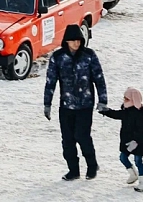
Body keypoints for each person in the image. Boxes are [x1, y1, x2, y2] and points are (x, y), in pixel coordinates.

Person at [43, 24, 108, 181]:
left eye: (79, 40)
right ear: (66, 41)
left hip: (85, 105)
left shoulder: (89, 55)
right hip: (66, 106)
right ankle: (73, 170)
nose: (77, 43)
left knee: (82, 136)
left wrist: (102, 100)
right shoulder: (57, 57)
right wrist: (47, 103)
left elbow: (99, 78)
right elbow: (51, 81)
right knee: (67, 140)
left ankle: (92, 166)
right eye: (73, 40)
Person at [101, 87, 143, 192]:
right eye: (124, 98)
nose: (124, 101)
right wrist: (105, 111)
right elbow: (116, 114)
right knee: (123, 157)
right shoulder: (126, 111)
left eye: (127, 99)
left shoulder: (140, 114)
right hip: (126, 141)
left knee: (138, 161)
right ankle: (133, 174)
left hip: (138, 143)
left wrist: (136, 141)